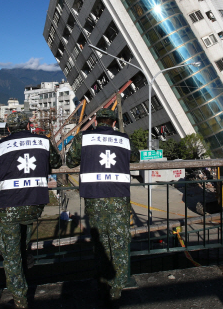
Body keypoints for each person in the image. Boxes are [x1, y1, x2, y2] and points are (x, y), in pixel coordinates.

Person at [0, 112, 62, 309]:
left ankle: (20, 299)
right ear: (29, 126)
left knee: (10, 254)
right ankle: (26, 255)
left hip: (7, 205)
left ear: (7, 129)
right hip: (35, 204)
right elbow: (56, 163)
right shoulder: (43, 141)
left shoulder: (1, 144)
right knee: (23, 234)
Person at [66, 108, 135, 304]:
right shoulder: (124, 138)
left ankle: (103, 282)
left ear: (96, 122)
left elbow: (71, 161)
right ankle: (118, 287)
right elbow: (135, 157)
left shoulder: (84, 138)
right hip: (119, 197)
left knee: (101, 242)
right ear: (114, 123)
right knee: (120, 242)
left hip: (94, 196)